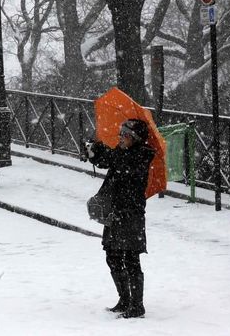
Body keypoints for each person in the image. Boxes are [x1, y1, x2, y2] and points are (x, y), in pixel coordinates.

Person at [85, 119, 155, 319]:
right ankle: (124, 299)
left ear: (135, 138)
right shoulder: (122, 153)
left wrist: (106, 153)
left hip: (131, 214)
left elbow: (122, 165)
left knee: (131, 259)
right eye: (120, 134)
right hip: (115, 214)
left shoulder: (142, 156)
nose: (120, 138)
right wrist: (94, 152)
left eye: (124, 135)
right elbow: (107, 160)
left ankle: (137, 305)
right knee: (113, 256)